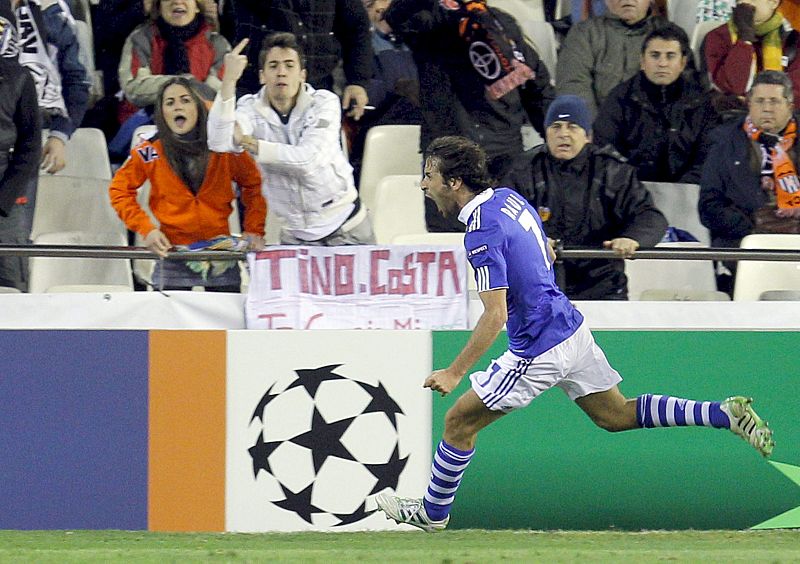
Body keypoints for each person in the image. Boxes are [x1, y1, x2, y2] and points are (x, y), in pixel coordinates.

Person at [374, 134, 774, 532]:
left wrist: (454, 372)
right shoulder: (509, 199)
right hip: (570, 328)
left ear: (454, 182)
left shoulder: (481, 231)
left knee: (459, 422)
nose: (424, 185)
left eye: (429, 175)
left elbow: (494, 316)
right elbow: (545, 248)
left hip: (537, 348)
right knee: (615, 414)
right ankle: (723, 414)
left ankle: (433, 512)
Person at [384, 0, 555, 232]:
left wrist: (555, 129)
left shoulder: (499, 23)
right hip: (449, 161)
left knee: (505, 239)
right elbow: (397, 16)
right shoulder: (433, 23)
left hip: (503, 158)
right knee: (452, 247)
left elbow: (536, 85)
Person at [208, 32, 375, 245]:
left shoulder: (324, 102)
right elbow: (218, 142)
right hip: (294, 235)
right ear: (262, 76)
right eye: (273, 66)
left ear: (302, 75)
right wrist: (228, 81)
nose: (281, 73)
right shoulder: (249, 107)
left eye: (289, 65)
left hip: (347, 227)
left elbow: (308, 160)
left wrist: (252, 143)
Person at [109, 76, 266, 291]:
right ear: (161, 112)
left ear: (199, 107)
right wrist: (146, 229)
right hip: (172, 254)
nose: (177, 107)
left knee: (225, 320)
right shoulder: (150, 151)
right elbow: (119, 189)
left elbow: (253, 184)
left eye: (185, 100)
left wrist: (254, 228)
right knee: (168, 324)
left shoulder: (225, 146)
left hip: (220, 256)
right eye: (170, 103)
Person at [522, 95, 667, 300]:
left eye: (572, 127)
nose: (563, 134)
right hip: (539, 286)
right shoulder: (524, 170)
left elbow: (649, 216)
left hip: (603, 287)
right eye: (556, 126)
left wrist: (631, 238)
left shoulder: (613, 171)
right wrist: (529, 240)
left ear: (588, 135)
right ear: (545, 133)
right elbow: (502, 219)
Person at [699, 70, 800, 295]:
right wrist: (753, 228)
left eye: (774, 101)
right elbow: (708, 207)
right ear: (749, 104)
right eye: (759, 101)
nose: (766, 108)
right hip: (745, 241)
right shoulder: (723, 144)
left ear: (790, 105)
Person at [593, 23, 719, 184]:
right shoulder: (620, 98)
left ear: (682, 62)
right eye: (655, 55)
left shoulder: (701, 103)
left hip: (686, 196)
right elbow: (605, 151)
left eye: (670, 56)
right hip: (629, 194)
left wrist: (681, 190)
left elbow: (708, 158)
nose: (662, 63)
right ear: (642, 61)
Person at [218, 0, 373, 120]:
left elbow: (357, 28)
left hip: (317, 85)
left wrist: (357, 81)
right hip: (257, 85)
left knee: (320, 154)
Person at [13, 0, 90, 238]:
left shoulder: (54, 12)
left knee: (13, 236)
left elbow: (77, 81)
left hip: (25, 141)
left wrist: (59, 134)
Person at [112, 0, 229, 157]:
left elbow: (216, 95)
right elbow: (134, 88)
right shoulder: (140, 38)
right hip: (148, 123)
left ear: (197, 7)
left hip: (202, 127)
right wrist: (185, 84)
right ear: (158, 7)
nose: (177, 1)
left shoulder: (218, 44)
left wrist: (177, 89)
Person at [556, 0, 668, 117]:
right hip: (597, 129)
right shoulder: (583, 34)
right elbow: (572, 85)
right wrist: (596, 129)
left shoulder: (670, 37)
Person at [0, 0, 42, 290]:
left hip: (4, 187)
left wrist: (5, 199)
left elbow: (30, 145)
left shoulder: (19, 78)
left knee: (10, 279)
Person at [704, 0, 800, 113]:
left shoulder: (793, 40)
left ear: (774, 2)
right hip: (731, 118)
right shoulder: (718, 37)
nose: (745, 3)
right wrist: (744, 39)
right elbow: (734, 86)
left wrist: (759, 104)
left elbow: (795, 93)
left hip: (781, 117)